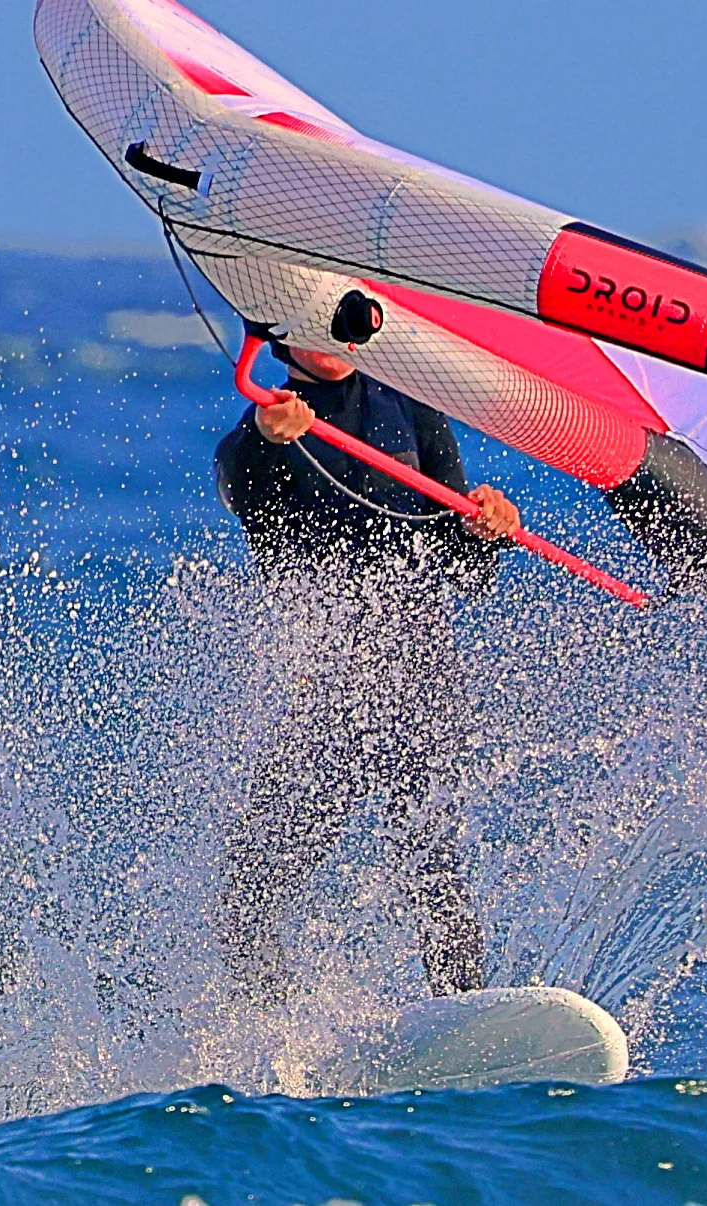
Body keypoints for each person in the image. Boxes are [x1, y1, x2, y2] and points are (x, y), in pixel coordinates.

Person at [213, 338, 522, 1003]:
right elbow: (238, 490)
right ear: (280, 332)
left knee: (431, 861)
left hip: (420, 673)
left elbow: (468, 575)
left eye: (346, 325)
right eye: (315, 325)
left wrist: (484, 529)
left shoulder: (411, 407)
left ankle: (461, 1009)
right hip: (323, 684)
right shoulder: (268, 423)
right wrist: (268, 439)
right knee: (256, 884)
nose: (333, 342)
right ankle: (261, 1024)